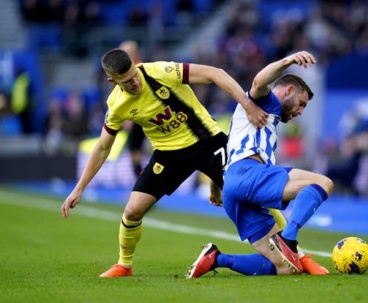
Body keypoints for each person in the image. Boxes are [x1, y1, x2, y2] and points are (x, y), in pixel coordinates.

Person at [60, 48, 268, 278]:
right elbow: (102, 147)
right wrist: (79, 189)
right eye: (127, 82)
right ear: (112, 80)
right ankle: (124, 265)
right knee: (132, 211)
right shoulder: (117, 105)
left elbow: (214, 73)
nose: (135, 82)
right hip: (168, 154)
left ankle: (294, 251)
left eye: (134, 74)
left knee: (251, 193)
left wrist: (248, 106)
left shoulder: (159, 71)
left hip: (207, 141)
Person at [186, 51, 334, 278]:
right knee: (323, 183)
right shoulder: (267, 101)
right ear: (289, 90)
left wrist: (217, 187)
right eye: (301, 104)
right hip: (250, 174)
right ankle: (289, 237)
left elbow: (223, 155)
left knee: (285, 268)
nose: (300, 111)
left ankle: (216, 258)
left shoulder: (248, 121)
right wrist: (288, 61)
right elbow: (258, 81)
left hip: (234, 188)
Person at [118, 40, 147, 177]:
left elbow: (138, 95)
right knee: (134, 151)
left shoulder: (139, 70)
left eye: (127, 52)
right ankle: (141, 182)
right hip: (135, 116)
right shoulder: (121, 70)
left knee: (137, 150)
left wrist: (129, 118)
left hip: (143, 115)